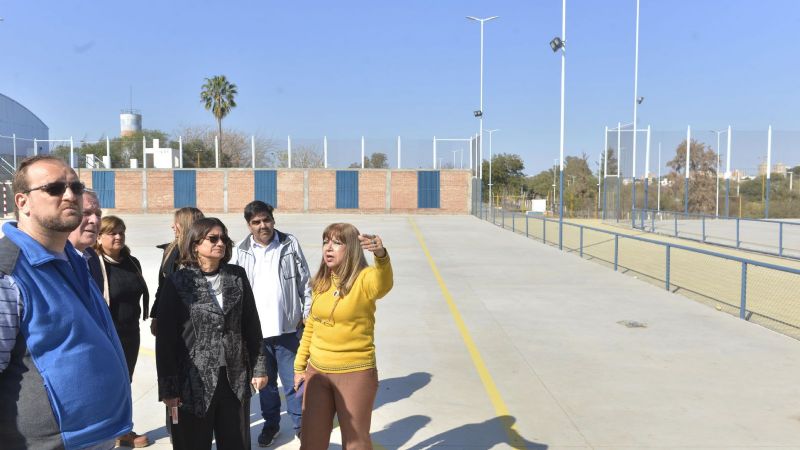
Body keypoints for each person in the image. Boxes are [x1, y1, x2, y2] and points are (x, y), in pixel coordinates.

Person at [0, 155, 132, 449]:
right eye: (54, 188)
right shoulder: (8, 272)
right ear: (22, 202)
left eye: (76, 186)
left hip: (96, 436)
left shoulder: (76, 260)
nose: (71, 195)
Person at [156, 217, 268, 450]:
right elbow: (166, 339)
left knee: (235, 442)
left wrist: (258, 368)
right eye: (213, 238)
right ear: (195, 244)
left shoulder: (236, 276)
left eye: (223, 239)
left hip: (234, 377)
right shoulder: (179, 281)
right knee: (193, 442)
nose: (220, 243)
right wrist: (169, 388)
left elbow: (251, 325)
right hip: (192, 381)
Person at [293, 223, 393, 450]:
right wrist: (300, 366)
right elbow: (311, 327)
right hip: (317, 372)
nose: (328, 248)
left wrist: (381, 255)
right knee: (311, 441)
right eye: (325, 242)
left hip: (355, 372)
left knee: (355, 442)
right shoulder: (322, 281)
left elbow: (383, 283)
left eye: (337, 243)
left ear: (352, 249)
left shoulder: (366, 279)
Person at [231, 201, 312, 446]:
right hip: (257, 335)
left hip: (288, 330)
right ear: (249, 225)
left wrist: (306, 313)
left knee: (294, 382)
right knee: (265, 385)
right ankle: (271, 424)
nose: (262, 225)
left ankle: (300, 425)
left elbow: (305, 282)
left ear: (273, 220)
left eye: (266, 219)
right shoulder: (240, 251)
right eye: (256, 222)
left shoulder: (289, 244)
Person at [95, 215, 151, 448]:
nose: (118, 236)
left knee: (125, 382)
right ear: (99, 237)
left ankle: (121, 429)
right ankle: (107, 430)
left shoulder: (131, 262)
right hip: (107, 334)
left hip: (131, 332)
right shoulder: (95, 265)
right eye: (112, 233)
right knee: (107, 384)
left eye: (121, 232)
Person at [150, 206, 204, 336]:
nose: (172, 226)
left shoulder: (201, 253)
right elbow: (162, 285)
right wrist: (155, 315)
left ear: (186, 225)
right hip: (168, 314)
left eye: (177, 223)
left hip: (193, 320)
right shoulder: (170, 250)